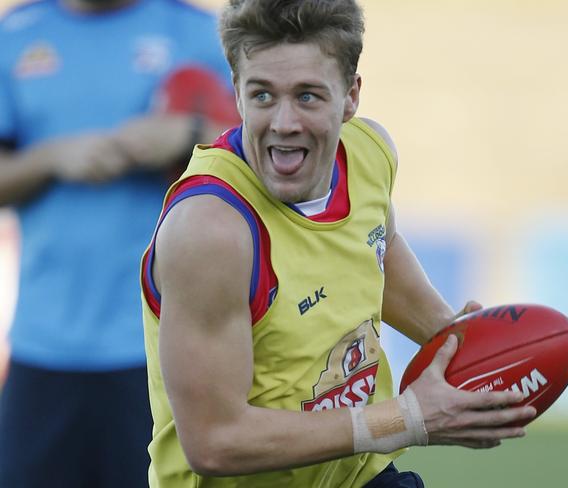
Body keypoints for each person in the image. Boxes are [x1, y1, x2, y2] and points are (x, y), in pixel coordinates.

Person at [140, 1, 537, 486]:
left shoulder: (369, 154)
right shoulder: (211, 229)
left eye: (308, 96)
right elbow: (214, 441)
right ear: (237, 94)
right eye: (263, 95)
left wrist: (452, 337)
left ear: (351, 96)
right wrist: (408, 418)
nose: (284, 123)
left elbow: (376, 251)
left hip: (360, 476)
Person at [0, 0, 235, 486]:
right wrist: (52, 157)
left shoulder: (199, 33)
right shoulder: (16, 34)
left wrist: (191, 135)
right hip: (42, 347)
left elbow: (264, 155)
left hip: (162, 351)